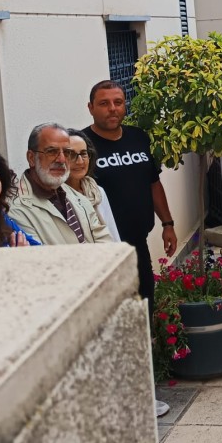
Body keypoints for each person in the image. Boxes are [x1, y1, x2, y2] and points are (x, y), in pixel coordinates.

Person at [83, 81, 177, 306]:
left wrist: (168, 224)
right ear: (90, 108)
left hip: (138, 243)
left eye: (118, 102)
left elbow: (153, 182)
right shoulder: (81, 145)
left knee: (145, 302)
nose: (112, 108)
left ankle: (149, 341)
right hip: (103, 248)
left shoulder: (139, 137)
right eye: (104, 103)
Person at [9, 122, 113, 246]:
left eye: (67, 152)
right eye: (52, 151)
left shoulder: (75, 194)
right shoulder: (17, 209)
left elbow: (104, 240)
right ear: (31, 158)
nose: (62, 159)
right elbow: (43, 260)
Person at [66, 129, 121, 242]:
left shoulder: (97, 191)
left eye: (83, 153)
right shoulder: (58, 199)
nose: (80, 161)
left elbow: (112, 231)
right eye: (71, 155)